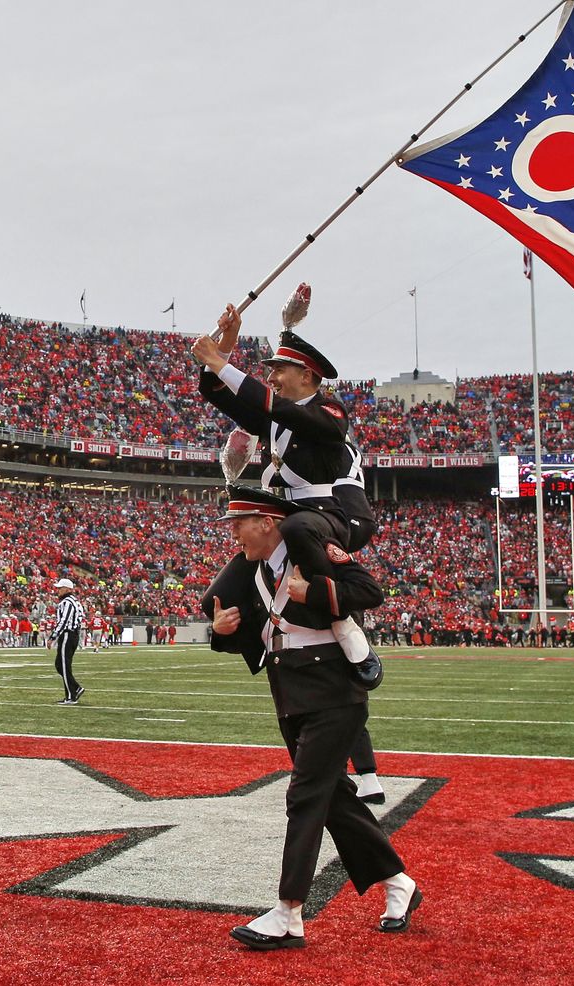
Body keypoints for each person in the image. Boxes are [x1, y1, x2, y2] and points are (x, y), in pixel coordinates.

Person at [206, 487, 416, 950]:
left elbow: (368, 590)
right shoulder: (255, 571)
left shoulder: (312, 550)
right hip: (289, 690)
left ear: (266, 521)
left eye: (239, 523)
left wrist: (313, 590)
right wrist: (217, 633)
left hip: (334, 691)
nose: (234, 533)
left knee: (304, 796)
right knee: (333, 798)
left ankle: (288, 913)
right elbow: (243, 628)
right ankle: (397, 881)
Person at [193, 301, 382, 690]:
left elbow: (276, 406)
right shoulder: (274, 418)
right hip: (288, 520)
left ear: (308, 375)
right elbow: (215, 390)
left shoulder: (330, 411)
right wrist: (226, 343)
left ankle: (345, 627)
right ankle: (263, 645)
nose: (273, 377)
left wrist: (223, 361)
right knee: (217, 596)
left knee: (297, 527)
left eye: (279, 369)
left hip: (325, 518)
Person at [50, 578, 86, 705]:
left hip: (68, 635)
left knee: (64, 666)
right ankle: (75, 688)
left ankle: (71, 695)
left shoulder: (67, 602)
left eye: (60, 588)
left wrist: (53, 636)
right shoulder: (75, 601)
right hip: (72, 634)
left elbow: (64, 621)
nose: (58, 590)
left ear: (68, 589)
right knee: (60, 665)